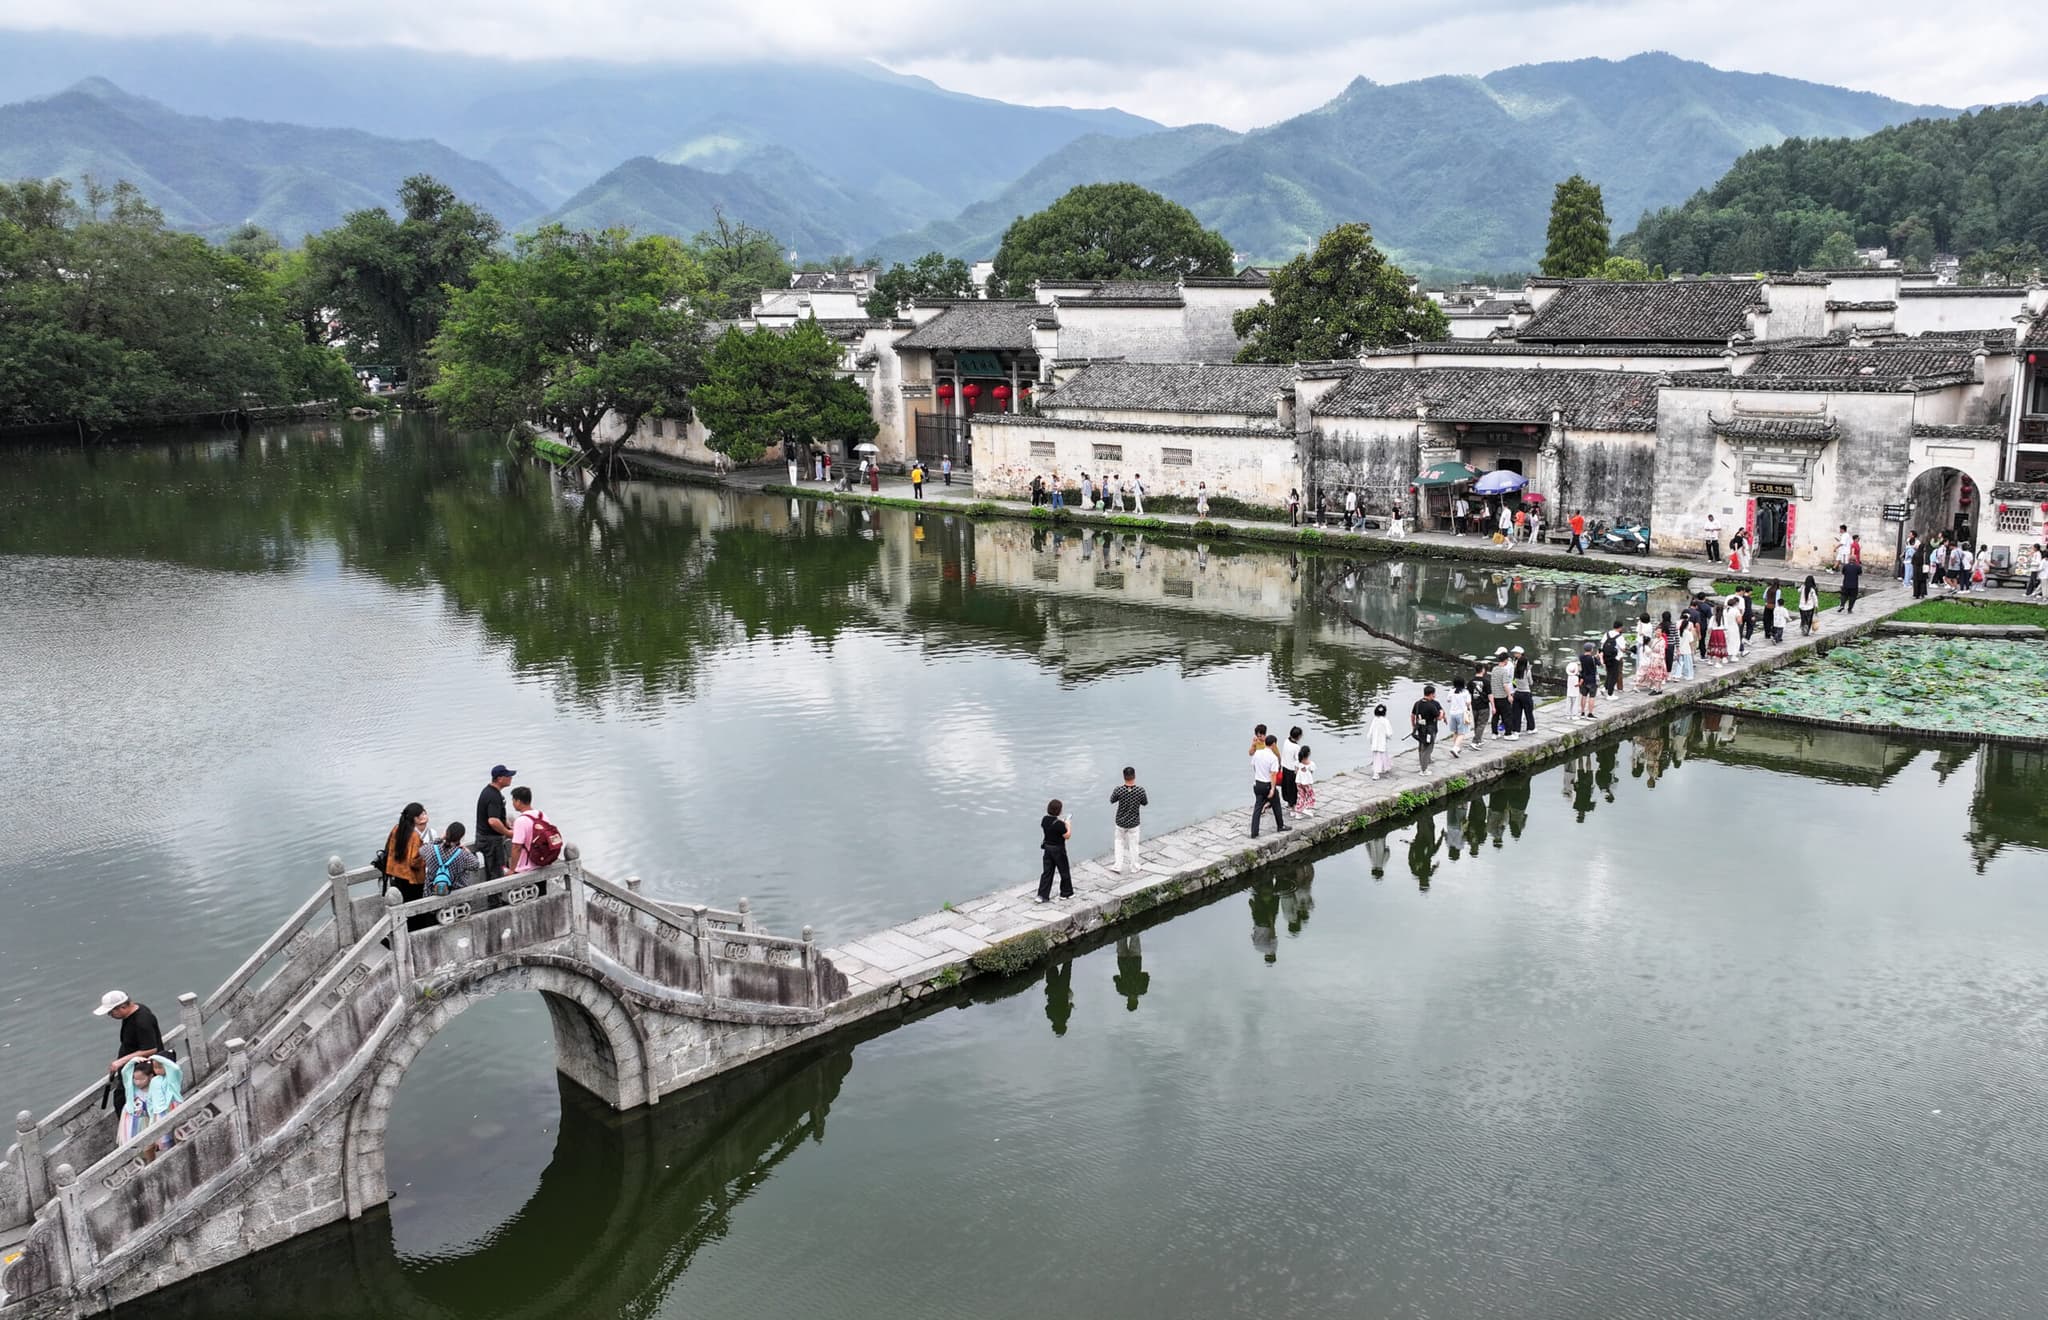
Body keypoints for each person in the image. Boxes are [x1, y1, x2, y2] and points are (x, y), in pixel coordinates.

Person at [96, 991, 164, 1111]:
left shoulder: (142, 1021)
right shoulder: (135, 1011)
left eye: (111, 1012)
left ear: (123, 1006)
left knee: (122, 1102)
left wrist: (121, 1061)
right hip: (130, 1067)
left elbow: (151, 1048)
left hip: (141, 1069)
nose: (110, 1015)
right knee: (121, 1099)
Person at [117, 1053, 184, 1152]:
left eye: (141, 1079)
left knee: (172, 1136)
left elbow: (175, 1069)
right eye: (135, 1079)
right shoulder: (134, 1089)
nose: (138, 1082)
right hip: (135, 1118)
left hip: (159, 1114)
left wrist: (155, 1057)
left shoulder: (164, 1083)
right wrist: (133, 1061)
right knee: (137, 1146)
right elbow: (125, 1072)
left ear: (150, 1076)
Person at [507, 787, 563, 883]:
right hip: (543, 864)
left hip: (526, 868)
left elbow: (517, 847)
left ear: (518, 801)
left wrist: (512, 869)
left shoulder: (520, 821)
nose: (512, 803)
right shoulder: (542, 815)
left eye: (513, 800)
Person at [383, 802, 429, 903]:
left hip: (396, 875)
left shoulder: (396, 829)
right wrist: (426, 857)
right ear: (416, 819)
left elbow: (388, 848)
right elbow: (415, 861)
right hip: (411, 879)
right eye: (422, 813)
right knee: (415, 907)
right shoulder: (414, 837)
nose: (424, 814)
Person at [476, 765, 515, 881]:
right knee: (497, 872)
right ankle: (495, 899)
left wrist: (507, 825)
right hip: (490, 840)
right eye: (508, 776)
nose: (511, 778)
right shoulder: (493, 796)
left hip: (484, 837)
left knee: (493, 870)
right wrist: (507, 833)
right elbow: (493, 821)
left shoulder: (489, 791)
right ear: (500, 779)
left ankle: (496, 898)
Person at [1109, 768, 1148, 875]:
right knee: (1134, 845)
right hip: (1134, 823)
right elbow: (1145, 803)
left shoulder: (1119, 790)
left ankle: (1117, 866)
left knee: (1119, 843)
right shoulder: (1140, 790)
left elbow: (1112, 800)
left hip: (1120, 821)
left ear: (1124, 777)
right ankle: (1134, 867)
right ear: (1134, 776)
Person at [426, 822, 479, 895]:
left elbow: (428, 845)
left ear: (446, 834)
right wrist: (468, 852)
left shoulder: (431, 849)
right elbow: (475, 865)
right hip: (457, 894)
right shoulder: (462, 854)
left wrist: (441, 838)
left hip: (433, 893)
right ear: (461, 837)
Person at [1251, 735, 1288, 836]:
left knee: (1257, 808)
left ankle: (1254, 832)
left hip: (1257, 784)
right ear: (1274, 744)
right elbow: (1273, 774)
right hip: (1267, 784)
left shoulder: (1257, 753)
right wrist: (1272, 789)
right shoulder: (1273, 758)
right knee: (1276, 804)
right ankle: (1280, 826)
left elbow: (1253, 765)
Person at [1037, 799, 1073, 902]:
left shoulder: (1044, 820)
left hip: (1047, 849)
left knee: (1047, 872)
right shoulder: (1059, 825)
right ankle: (1066, 893)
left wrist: (1062, 822)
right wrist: (1068, 824)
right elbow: (1067, 835)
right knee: (1064, 871)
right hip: (1058, 850)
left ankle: (1042, 895)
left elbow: (1053, 826)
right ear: (1059, 811)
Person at [1411, 684, 1444, 772]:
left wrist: (1413, 726)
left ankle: (1422, 762)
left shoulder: (1417, 703)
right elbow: (1439, 718)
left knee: (1421, 746)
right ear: (1431, 694)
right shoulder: (1431, 705)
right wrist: (1441, 712)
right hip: (1430, 730)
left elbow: (1413, 715)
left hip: (1420, 728)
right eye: (1434, 694)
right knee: (1428, 748)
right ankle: (1424, 769)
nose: (1435, 696)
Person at [1489, 648, 1518, 740]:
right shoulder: (1504, 671)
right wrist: (1509, 695)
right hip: (1503, 697)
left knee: (1495, 716)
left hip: (1495, 696)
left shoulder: (1494, 669)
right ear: (1505, 660)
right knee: (1507, 715)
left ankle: (1494, 733)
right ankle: (1508, 734)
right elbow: (1505, 685)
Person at [1636, 616, 1668, 694]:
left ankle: (1658, 689)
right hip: (1653, 658)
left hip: (1658, 659)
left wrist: (1660, 660)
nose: (1657, 633)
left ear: (1662, 632)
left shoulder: (1662, 641)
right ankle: (1657, 688)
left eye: (1659, 631)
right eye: (1656, 631)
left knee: (1658, 675)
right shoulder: (1655, 639)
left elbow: (1662, 652)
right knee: (1654, 675)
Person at [1442, 677, 1471, 757]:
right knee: (1462, 733)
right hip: (1461, 714)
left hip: (1452, 714)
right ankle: (1455, 748)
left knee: (1455, 732)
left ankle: (1456, 747)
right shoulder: (1465, 692)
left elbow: (1448, 700)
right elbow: (1468, 703)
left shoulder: (1451, 691)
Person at [1511, 646, 1536, 735]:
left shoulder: (1515, 671)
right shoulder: (1527, 672)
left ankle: (1516, 730)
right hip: (1526, 693)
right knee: (1528, 712)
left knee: (1517, 713)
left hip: (1517, 692)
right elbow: (1531, 682)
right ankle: (1531, 728)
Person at [1279, 726, 1303, 812]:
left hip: (1284, 767)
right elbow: (1298, 760)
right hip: (1292, 770)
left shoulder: (1286, 741)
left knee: (1286, 787)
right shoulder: (1296, 747)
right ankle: (1292, 805)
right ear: (1299, 736)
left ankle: (1288, 802)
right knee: (1293, 789)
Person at [1368, 704, 1395, 779]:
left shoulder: (1374, 720)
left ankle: (1384, 768)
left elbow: (1370, 732)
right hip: (1382, 741)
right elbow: (1389, 733)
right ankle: (1376, 773)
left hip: (1375, 742)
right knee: (1382, 756)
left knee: (1376, 757)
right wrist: (1388, 736)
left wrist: (1370, 739)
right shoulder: (1385, 721)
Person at [1576, 642, 1601, 719]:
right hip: (1592, 680)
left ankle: (1582, 712)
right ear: (1591, 649)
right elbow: (1600, 664)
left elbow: (1587, 659)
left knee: (1583, 695)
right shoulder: (1593, 659)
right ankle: (1590, 714)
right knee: (1592, 697)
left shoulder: (1581, 657)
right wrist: (1598, 657)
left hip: (1583, 679)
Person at [1600, 623, 1624, 696]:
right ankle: (1610, 694)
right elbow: (1623, 648)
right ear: (1620, 628)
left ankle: (1604, 688)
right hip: (1615, 658)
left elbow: (1602, 644)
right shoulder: (1620, 637)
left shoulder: (1607, 634)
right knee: (1614, 675)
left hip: (1606, 657)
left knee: (1609, 673)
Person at [1674, 612, 1697, 681]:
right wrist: (1692, 650)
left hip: (1680, 650)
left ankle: (1677, 675)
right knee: (1688, 664)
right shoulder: (1688, 633)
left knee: (1679, 663)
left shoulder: (1678, 632)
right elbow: (1691, 643)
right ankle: (1688, 675)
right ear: (1687, 626)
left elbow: (1676, 641)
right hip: (1687, 650)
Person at [1294, 746, 1317, 814]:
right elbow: (1311, 772)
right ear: (1309, 753)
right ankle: (1306, 808)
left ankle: (1298, 812)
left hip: (1298, 781)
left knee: (1301, 796)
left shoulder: (1297, 762)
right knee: (1310, 795)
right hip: (1307, 782)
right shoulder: (1311, 764)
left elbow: (1296, 771)